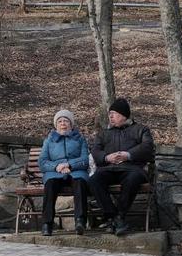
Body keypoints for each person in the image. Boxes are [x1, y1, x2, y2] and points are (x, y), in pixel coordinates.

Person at [88, 98, 155, 236]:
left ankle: (118, 217)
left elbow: (148, 147)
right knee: (94, 180)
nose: (110, 116)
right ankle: (115, 217)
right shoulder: (103, 133)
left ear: (124, 115)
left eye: (114, 113)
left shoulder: (141, 129)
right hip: (108, 169)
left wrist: (128, 154)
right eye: (109, 114)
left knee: (132, 180)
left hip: (132, 169)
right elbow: (95, 150)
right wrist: (106, 157)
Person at [38, 109, 90, 236]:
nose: (63, 124)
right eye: (60, 121)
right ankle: (47, 224)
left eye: (66, 121)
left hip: (75, 171)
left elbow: (85, 159)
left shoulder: (80, 139)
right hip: (55, 172)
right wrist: (57, 167)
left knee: (80, 183)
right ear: (56, 125)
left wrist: (69, 165)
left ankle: (80, 221)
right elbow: (42, 161)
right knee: (50, 184)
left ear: (71, 125)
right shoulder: (49, 141)